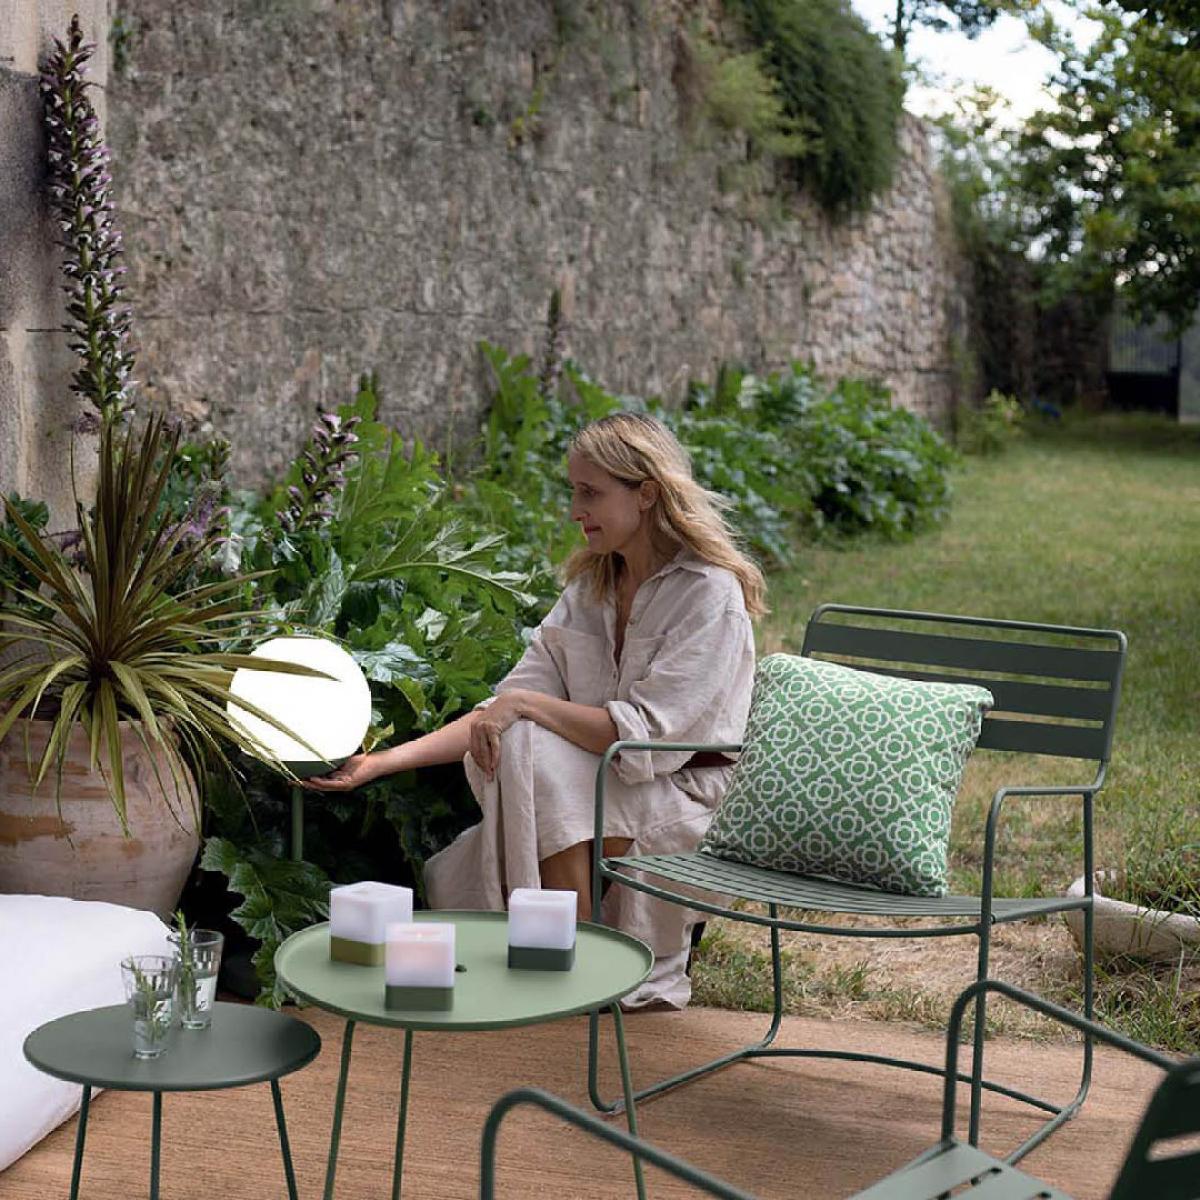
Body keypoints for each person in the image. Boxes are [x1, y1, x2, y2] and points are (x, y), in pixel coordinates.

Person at [307, 411, 764, 1008]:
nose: (575, 510)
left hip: (683, 794)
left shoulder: (709, 594)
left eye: (590, 493)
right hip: (600, 789)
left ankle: (577, 955)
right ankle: (569, 949)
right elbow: (499, 711)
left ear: (647, 493)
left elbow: (644, 737)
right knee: (520, 740)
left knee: (529, 744)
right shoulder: (592, 589)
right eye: (574, 491)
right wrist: (380, 763)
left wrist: (522, 707)